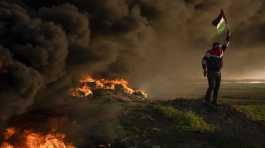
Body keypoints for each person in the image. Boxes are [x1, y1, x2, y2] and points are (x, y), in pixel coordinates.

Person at [201, 30, 231, 106]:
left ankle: (214, 102)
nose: (219, 46)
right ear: (214, 46)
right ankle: (206, 100)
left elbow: (226, 43)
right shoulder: (209, 52)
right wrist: (205, 69)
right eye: (217, 46)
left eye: (219, 46)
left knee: (216, 88)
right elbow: (203, 60)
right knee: (211, 86)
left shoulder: (221, 52)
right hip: (211, 72)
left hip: (218, 72)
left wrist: (228, 35)